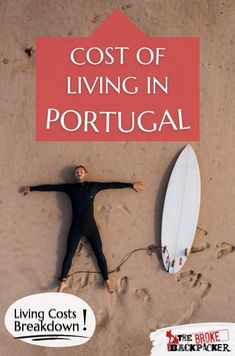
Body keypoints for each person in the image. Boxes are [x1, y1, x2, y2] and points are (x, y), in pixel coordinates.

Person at [19, 166, 145, 293]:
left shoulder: (93, 187)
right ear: (75, 175)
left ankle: (107, 280)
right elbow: (51, 187)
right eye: (77, 172)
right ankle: (62, 283)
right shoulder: (70, 188)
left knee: (99, 253)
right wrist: (31, 189)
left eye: (81, 171)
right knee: (69, 254)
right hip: (76, 228)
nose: (79, 173)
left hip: (91, 228)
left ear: (86, 174)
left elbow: (111, 184)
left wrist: (131, 184)